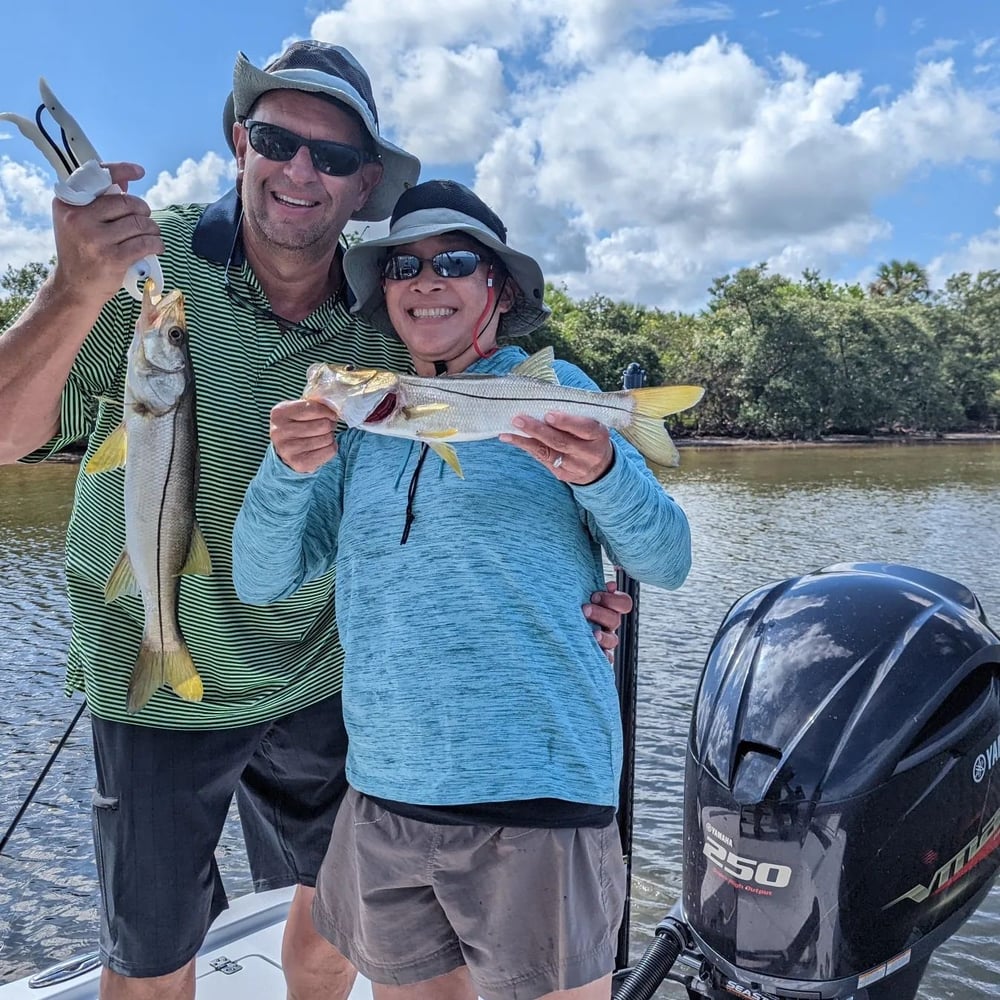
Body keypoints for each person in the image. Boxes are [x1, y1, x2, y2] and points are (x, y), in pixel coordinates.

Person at [0, 45, 632, 1000]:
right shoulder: (143, 272)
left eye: (333, 159)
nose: (302, 172)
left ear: (365, 183)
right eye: (278, 141)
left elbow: (490, 457)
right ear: (238, 144)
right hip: (155, 680)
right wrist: (73, 288)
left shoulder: (387, 308)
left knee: (337, 931)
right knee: (150, 963)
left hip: (330, 678)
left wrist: (571, 593)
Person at [231, 179, 694, 1000]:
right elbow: (261, 578)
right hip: (386, 792)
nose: (426, 280)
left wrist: (608, 467)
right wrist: (286, 469)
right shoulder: (365, 428)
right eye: (403, 267)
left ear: (499, 288)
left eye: (454, 261)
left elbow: (666, 561)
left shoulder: (565, 399)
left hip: (539, 792)